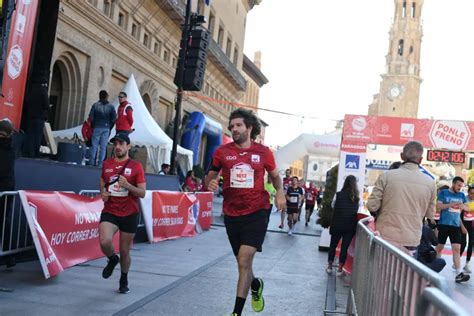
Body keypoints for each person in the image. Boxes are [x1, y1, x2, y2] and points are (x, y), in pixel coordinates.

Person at [204, 108, 285, 316]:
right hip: (232, 213)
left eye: (239, 125)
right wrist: (210, 183)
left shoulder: (264, 152)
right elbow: (209, 177)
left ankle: (236, 313)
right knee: (244, 264)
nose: (234, 129)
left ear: (250, 127)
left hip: (257, 211)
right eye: (232, 126)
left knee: (244, 259)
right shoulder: (222, 152)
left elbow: (275, 177)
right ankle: (255, 285)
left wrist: (280, 193)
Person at [367, 141, 436, 254]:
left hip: (385, 236)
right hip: (411, 239)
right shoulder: (430, 183)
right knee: (404, 271)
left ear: (402, 156)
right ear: (420, 160)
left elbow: (372, 206)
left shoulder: (386, 177)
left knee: (381, 270)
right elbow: (430, 215)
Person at [99, 132, 146, 294]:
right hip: (111, 210)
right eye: (115, 144)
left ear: (128, 146)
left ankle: (124, 277)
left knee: (125, 250)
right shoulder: (106, 164)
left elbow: (142, 193)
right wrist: (103, 193)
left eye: (121, 144)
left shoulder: (136, 166)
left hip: (129, 212)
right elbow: (103, 183)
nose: (118, 147)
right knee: (105, 241)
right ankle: (113, 259)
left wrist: (128, 186)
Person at [435, 177, 470, 283]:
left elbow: (467, 208)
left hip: (455, 226)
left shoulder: (461, 195)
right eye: (458, 185)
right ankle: (434, 270)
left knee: (456, 249)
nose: (460, 188)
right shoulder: (444, 193)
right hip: (444, 224)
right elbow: (438, 206)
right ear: (453, 183)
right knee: (439, 247)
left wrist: (463, 206)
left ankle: (459, 273)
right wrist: (451, 204)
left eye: (461, 186)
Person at [326, 175, 359, 276]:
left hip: (337, 224)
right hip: (349, 226)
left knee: (333, 246)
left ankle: (330, 266)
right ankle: (340, 269)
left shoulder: (338, 195)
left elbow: (333, 206)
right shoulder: (357, 198)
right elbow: (357, 211)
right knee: (344, 248)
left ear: (345, 183)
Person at [0, 119, 17, 267]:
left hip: (5, 189)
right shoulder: (11, 148)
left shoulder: (9, 149)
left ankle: (7, 255)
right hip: (6, 189)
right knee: (4, 222)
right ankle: (7, 255)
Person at [88, 90, 116, 167]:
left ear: (99, 96)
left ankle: (91, 162)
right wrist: (109, 126)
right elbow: (114, 118)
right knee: (103, 147)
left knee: (94, 145)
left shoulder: (95, 105)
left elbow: (91, 117)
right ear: (107, 96)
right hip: (106, 128)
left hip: (97, 127)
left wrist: (94, 124)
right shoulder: (111, 106)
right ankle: (100, 164)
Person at [23, 80, 49, 158]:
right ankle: (36, 153)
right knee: (37, 136)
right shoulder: (43, 90)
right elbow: (46, 104)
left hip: (30, 117)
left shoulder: (32, 90)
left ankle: (27, 153)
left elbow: (27, 102)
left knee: (30, 136)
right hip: (39, 117)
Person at [460, 186, 474, 273]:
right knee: (463, 243)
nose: (473, 195)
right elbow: (459, 214)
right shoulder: (463, 200)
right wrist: (462, 226)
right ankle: (457, 259)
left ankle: (467, 264)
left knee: (471, 243)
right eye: (471, 193)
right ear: (468, 193)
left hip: (472, 224)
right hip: (464, 224)